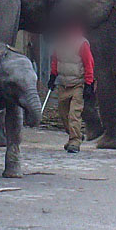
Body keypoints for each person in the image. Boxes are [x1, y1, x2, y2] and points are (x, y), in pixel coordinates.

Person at [47, 25, 95, 153]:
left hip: (78, 84)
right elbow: (55, 61)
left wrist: (89, 84)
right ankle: (76, 134)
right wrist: (52, 76)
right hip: (63, 84)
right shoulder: (59, 44)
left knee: (74, 114)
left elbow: (88, 63)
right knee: (64, 114)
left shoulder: (81, 44)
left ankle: (74, 141)